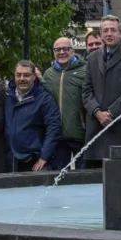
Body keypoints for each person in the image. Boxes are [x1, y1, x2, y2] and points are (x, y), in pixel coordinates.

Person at [82, 15, 121, 167]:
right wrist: (97, 112)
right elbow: (86, 90)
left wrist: (110, 113)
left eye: (113, 30)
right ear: (101, 34)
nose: (109, 34)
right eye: (105, 30)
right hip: (96, 126)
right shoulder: (92, 58)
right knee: (93, 179)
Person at [5, 60, 62, 172]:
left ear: (34, 76)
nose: (22, 79)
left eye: (26, 75)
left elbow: (54, 128)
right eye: (18, 75)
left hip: (36, 161)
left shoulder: (45, 99)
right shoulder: (8, 97)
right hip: (11, 160)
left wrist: (44, 157)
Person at [42, 38, 87, 170]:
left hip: (81, 134)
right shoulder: (48, 74)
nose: (62, 52)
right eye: (57, 49)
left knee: (84, 178)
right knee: (59, 180)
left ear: (72, 51)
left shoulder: (85, 71)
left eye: (66, 49)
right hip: (58, 137)